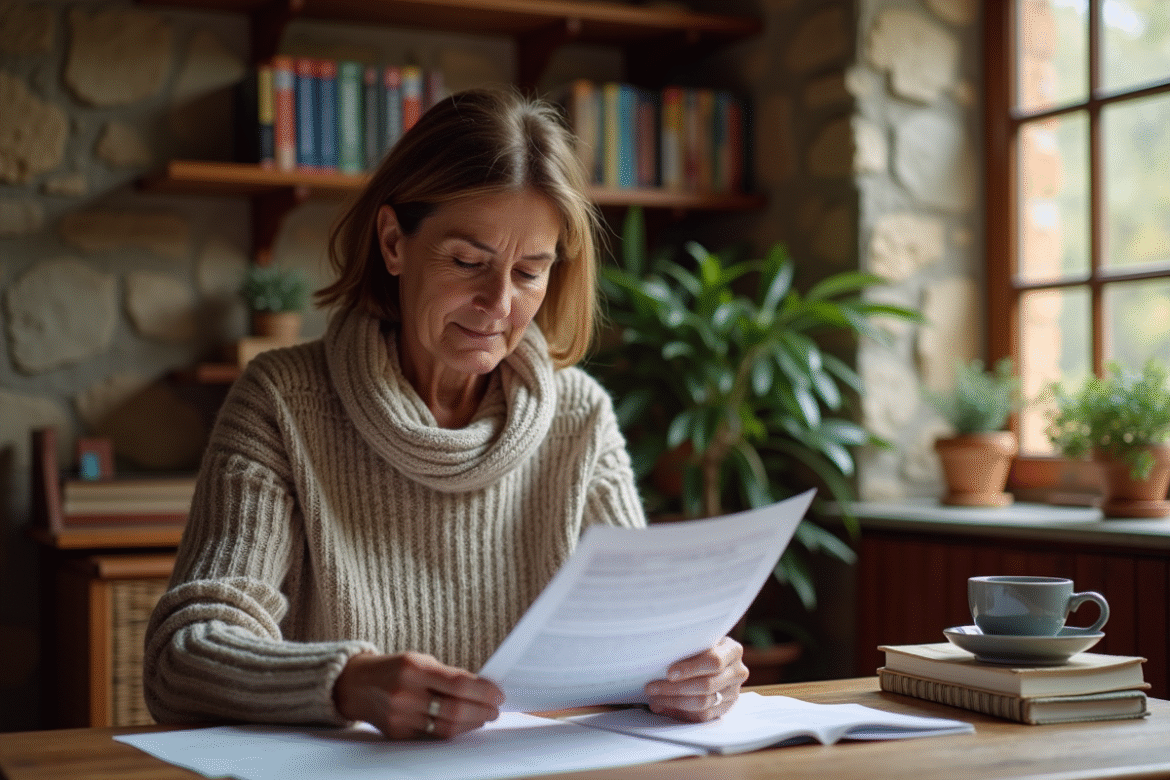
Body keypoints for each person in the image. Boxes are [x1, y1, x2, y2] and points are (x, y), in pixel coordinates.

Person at [143, 86, 747, 740]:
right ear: (394, 242)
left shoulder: (581, 418)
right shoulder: (281, 401)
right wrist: (348, 683)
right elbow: (182, 658)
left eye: (529, 273)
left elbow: (645, 640)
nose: (498, 304)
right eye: (468, 262)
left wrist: (695, 670)